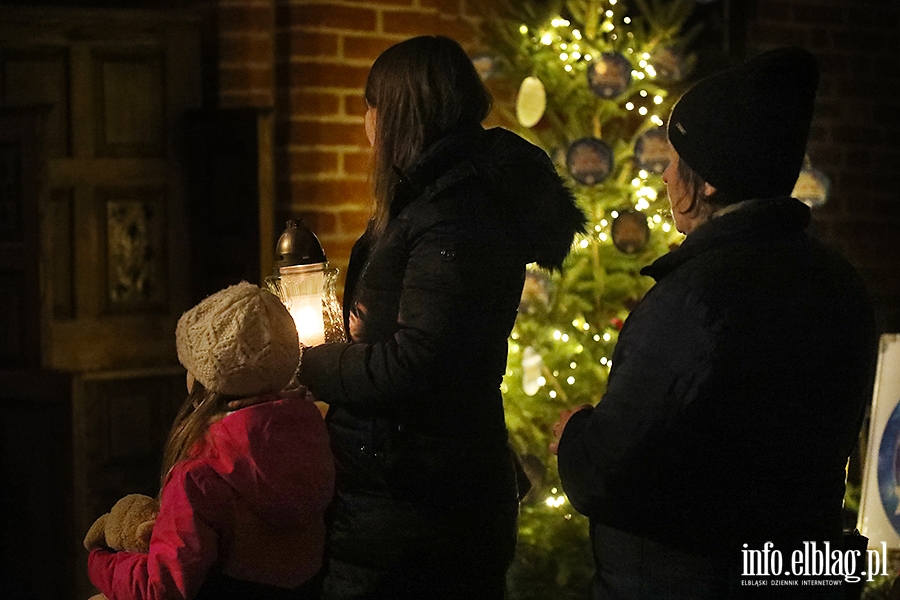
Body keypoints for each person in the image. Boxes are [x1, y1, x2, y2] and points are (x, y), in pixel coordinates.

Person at [551, 47, 877, 599]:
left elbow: (611, 469)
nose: (665, 174)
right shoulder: (841, 284)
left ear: (709, 184)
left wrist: (574, 436)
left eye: (677, 159)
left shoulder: (696, 299)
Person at [295, 35, 585, 599]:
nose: (364, 125)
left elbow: (419, 361)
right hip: (402, 494)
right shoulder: (435, 201)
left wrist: (308, 363)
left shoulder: (456, 214)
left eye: (370, 107)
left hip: (418, 506)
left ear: (398, 113)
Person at [87, 282, 336, 600]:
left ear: (202, 380)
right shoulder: (315, 436)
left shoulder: (201, 475)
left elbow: (160, 587)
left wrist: (101, 560)